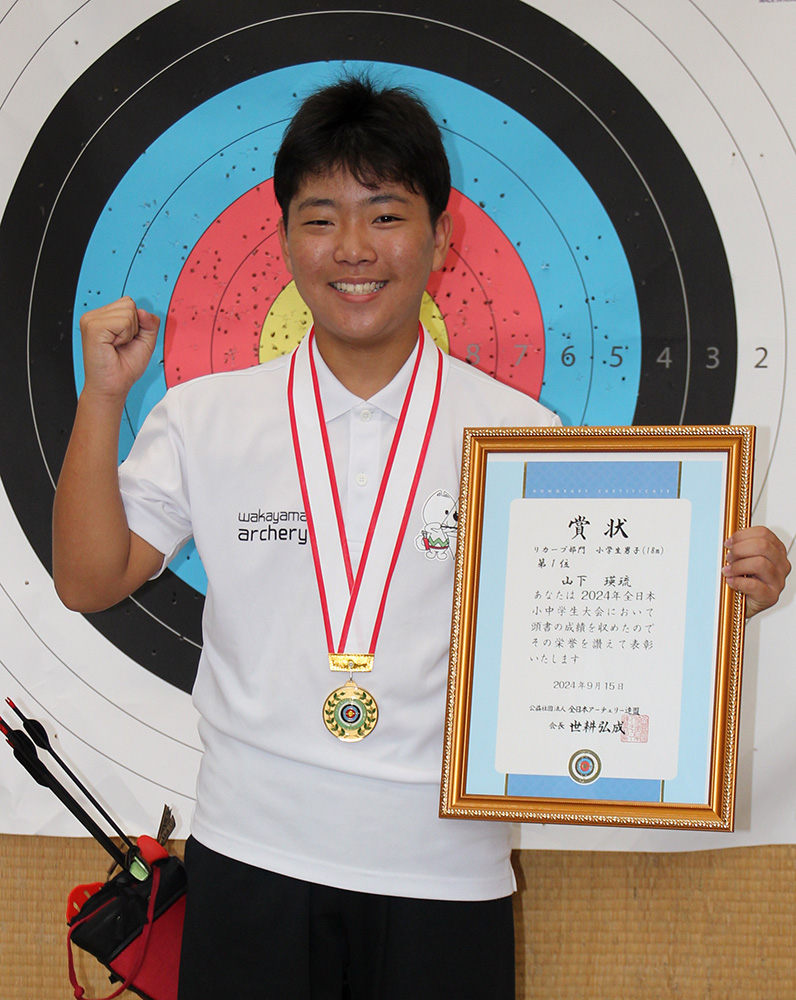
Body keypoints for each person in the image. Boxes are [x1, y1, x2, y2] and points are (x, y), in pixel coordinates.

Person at [52, 77, 790, 999]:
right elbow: (87, 579)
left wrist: (720, 580)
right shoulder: (207, 418)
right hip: (251, 857)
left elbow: (609, 623)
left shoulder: (525, 439)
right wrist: (105, 397)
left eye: (386, 214)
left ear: (443, 237)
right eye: (320, 218)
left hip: (445, 873)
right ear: (281, 238)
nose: (353, 249)